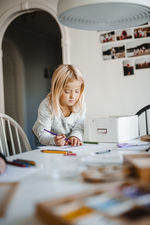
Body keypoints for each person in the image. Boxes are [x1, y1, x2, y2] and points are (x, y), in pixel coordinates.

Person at [33, 64, 86, 147]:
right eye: (67, 91)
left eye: (77, 91)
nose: (73, 96)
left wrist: (75, 137)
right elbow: (43, 133)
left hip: (64, 142)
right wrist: (54, 140)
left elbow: (79, 127)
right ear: (57, 89)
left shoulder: (80, 105)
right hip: (43, 139)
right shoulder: (47, 106)